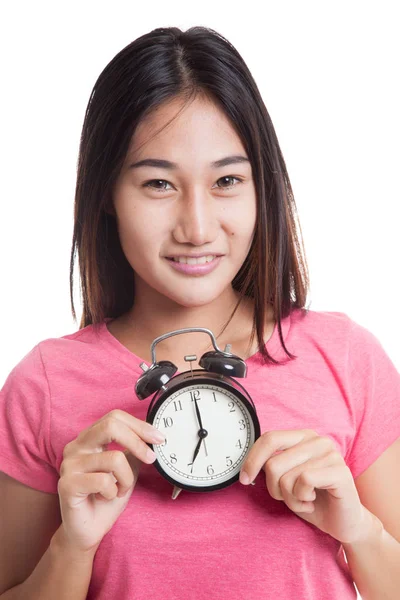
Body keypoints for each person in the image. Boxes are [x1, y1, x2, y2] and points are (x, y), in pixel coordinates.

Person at [0, 25, 399, 600]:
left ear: (265, 190)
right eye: (159, 183)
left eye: (228, 180)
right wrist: (73, 546)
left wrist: (359, 531)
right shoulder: (42, 385)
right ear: (106, 196)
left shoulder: (346, 359)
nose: (198, 228)